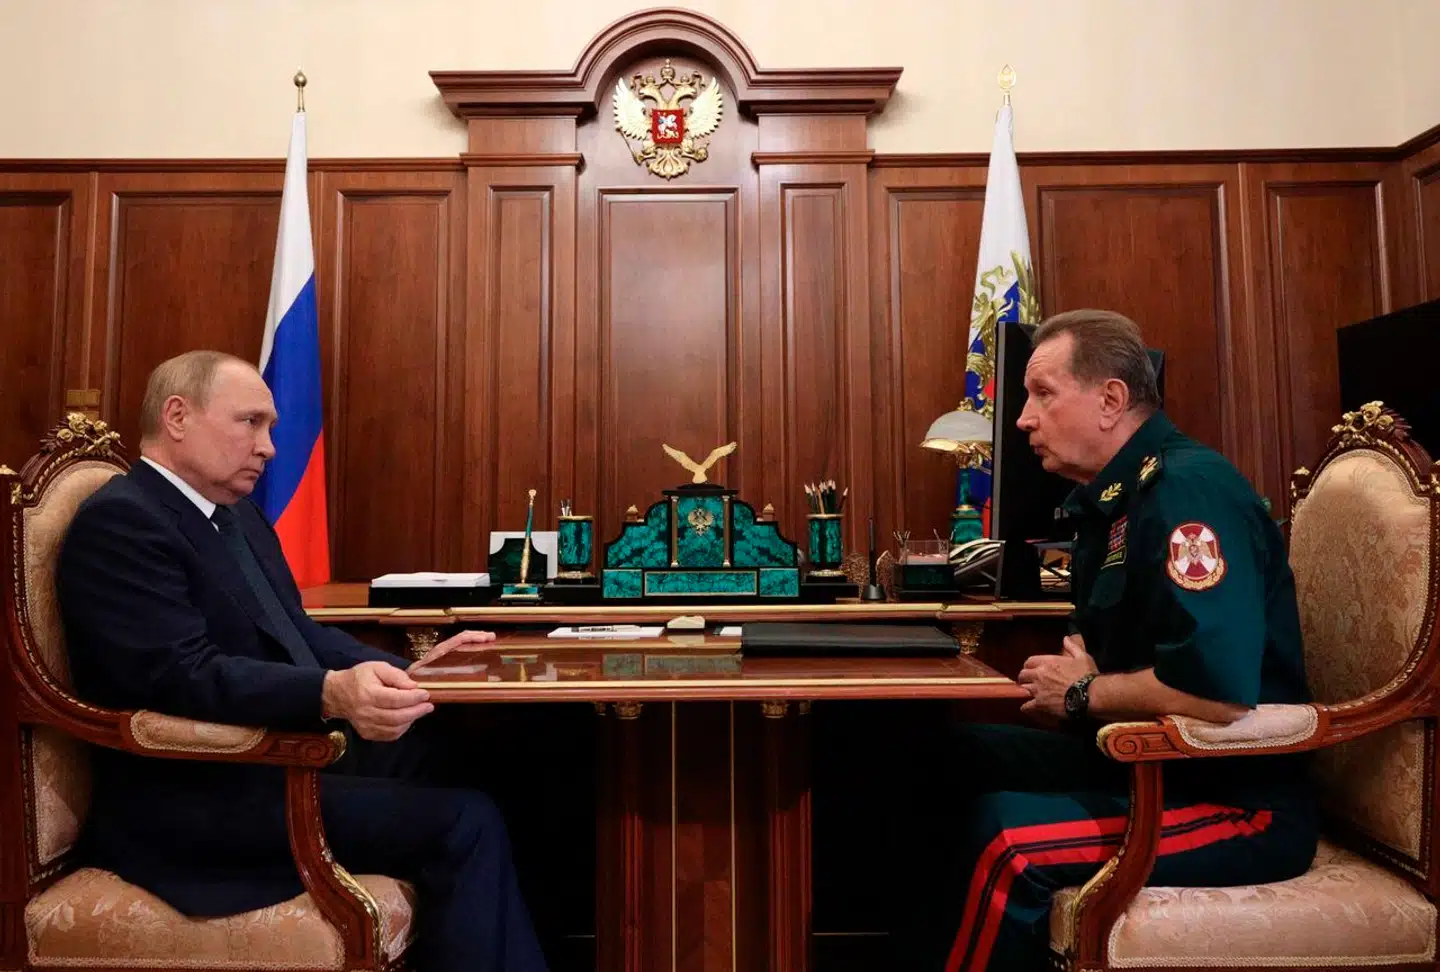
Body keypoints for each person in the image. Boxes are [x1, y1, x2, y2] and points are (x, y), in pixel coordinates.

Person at [56, 350, 548, 972]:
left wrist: (406, 672)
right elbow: (180, 675)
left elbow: (298, 633)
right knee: (464, 819)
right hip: (196, 793)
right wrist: (330, 694)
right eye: (250, 423)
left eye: (270, 428)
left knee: (494, 753)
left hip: (271, 753)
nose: (267, 447)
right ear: (177, 416)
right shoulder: (123, 522)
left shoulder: (232, 517)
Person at [892, 310, 1316, 971]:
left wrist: (1086, 692)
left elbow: (1220, 693)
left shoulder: (1184, 491)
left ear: (1111, 400)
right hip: (1146, 765)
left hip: (1236, 800)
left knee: (1006, 838)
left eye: (1042, 394)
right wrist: (1084, 684)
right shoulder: (1112, 501)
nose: (1023, 419)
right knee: (941, 758)